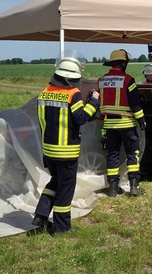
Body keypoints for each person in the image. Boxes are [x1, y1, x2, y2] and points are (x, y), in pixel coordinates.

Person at [31, 57, 101, 233]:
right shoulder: (73, 94)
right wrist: (93, 101)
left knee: (55, 181)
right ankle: (61, 227)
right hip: (66, 151)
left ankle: (40, 215)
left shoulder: (44, 92)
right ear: (71, 78)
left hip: (48, 150)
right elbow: (80, 118)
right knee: (65, 188)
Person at [98, 49, 147, 197]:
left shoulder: (102, 80)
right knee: (133, 154)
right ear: (123, 63)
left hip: (109, 126)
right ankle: (134, 186)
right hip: (126, 124)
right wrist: (141, 120)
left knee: (113, 154)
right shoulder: (128, 80)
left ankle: (113, 188)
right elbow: (135, 104)